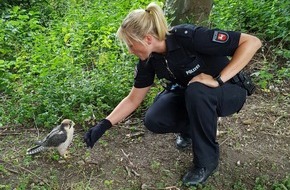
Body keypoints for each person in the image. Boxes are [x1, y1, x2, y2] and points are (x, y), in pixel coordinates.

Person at [84, 2, 262, 187]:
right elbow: (133, 99)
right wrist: (104, 125)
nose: (130, 51)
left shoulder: (190, 37)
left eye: (131, 45)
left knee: (197, 90)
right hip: (194, 95)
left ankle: (206, 162)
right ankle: (191, 130)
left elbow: (252, 42)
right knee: (154, 118)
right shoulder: (149, 60)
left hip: (229, 90)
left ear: (147, 39)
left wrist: (218, 80)